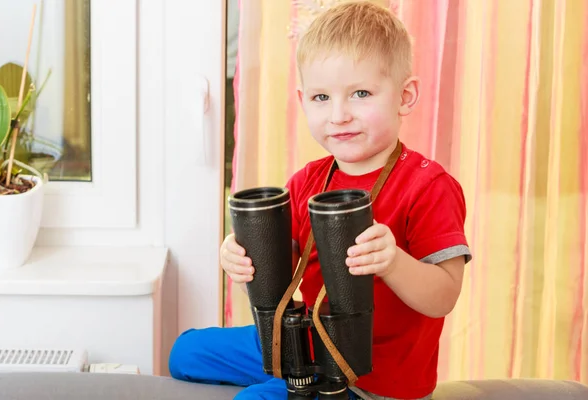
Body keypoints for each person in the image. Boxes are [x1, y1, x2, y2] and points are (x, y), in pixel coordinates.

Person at [169, 1, 472, 399]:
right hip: (306, 344)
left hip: (371, 379)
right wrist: (242, 263)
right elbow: (276, 282)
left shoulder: (428, 185)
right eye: (321, 98)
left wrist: (393, 261)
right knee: (184, 352)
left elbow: (443, 298)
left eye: (360, 93)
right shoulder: (308, 180)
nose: (339, 115)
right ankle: (283, 373)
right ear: (302, 100)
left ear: (405, 96)